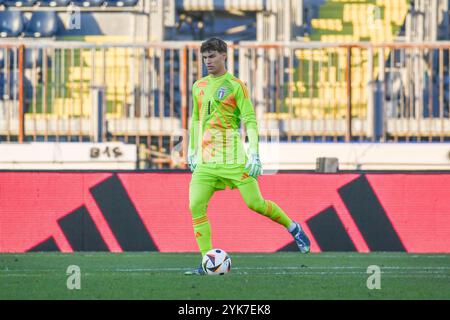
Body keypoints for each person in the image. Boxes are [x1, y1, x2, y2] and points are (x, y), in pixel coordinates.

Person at [185, 37, 310, 275]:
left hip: (233, 158)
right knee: (195, 205)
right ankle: (207, 261)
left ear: (224, 56)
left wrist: (254, 153)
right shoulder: (198, 86)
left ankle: (293, 228)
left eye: (212, 56)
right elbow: (196, 119)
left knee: (255, 203)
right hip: (206, 161)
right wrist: (191, 149)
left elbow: (249, 120)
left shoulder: (235, 86)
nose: (207, 61)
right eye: (205, 57)